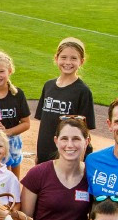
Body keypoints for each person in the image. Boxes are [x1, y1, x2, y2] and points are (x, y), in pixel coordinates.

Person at [21, 115, 91, 220]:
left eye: (76, 139)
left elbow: (94, 219)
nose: (69, 145)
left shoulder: (92, 177)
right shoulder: (38, 174)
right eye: (64, 139)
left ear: (86, 141)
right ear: (56, 141)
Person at [34, 37, 95, 165]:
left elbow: (85, 131)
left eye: (74, 58)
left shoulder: (82, 91)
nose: (68, 62)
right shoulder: (48, 86)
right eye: (63, 57)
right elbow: (43, 124)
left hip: (68, 156)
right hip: (45, 152)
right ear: (56, 58)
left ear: (81, 61)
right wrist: (39, 153)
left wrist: (79, 162)